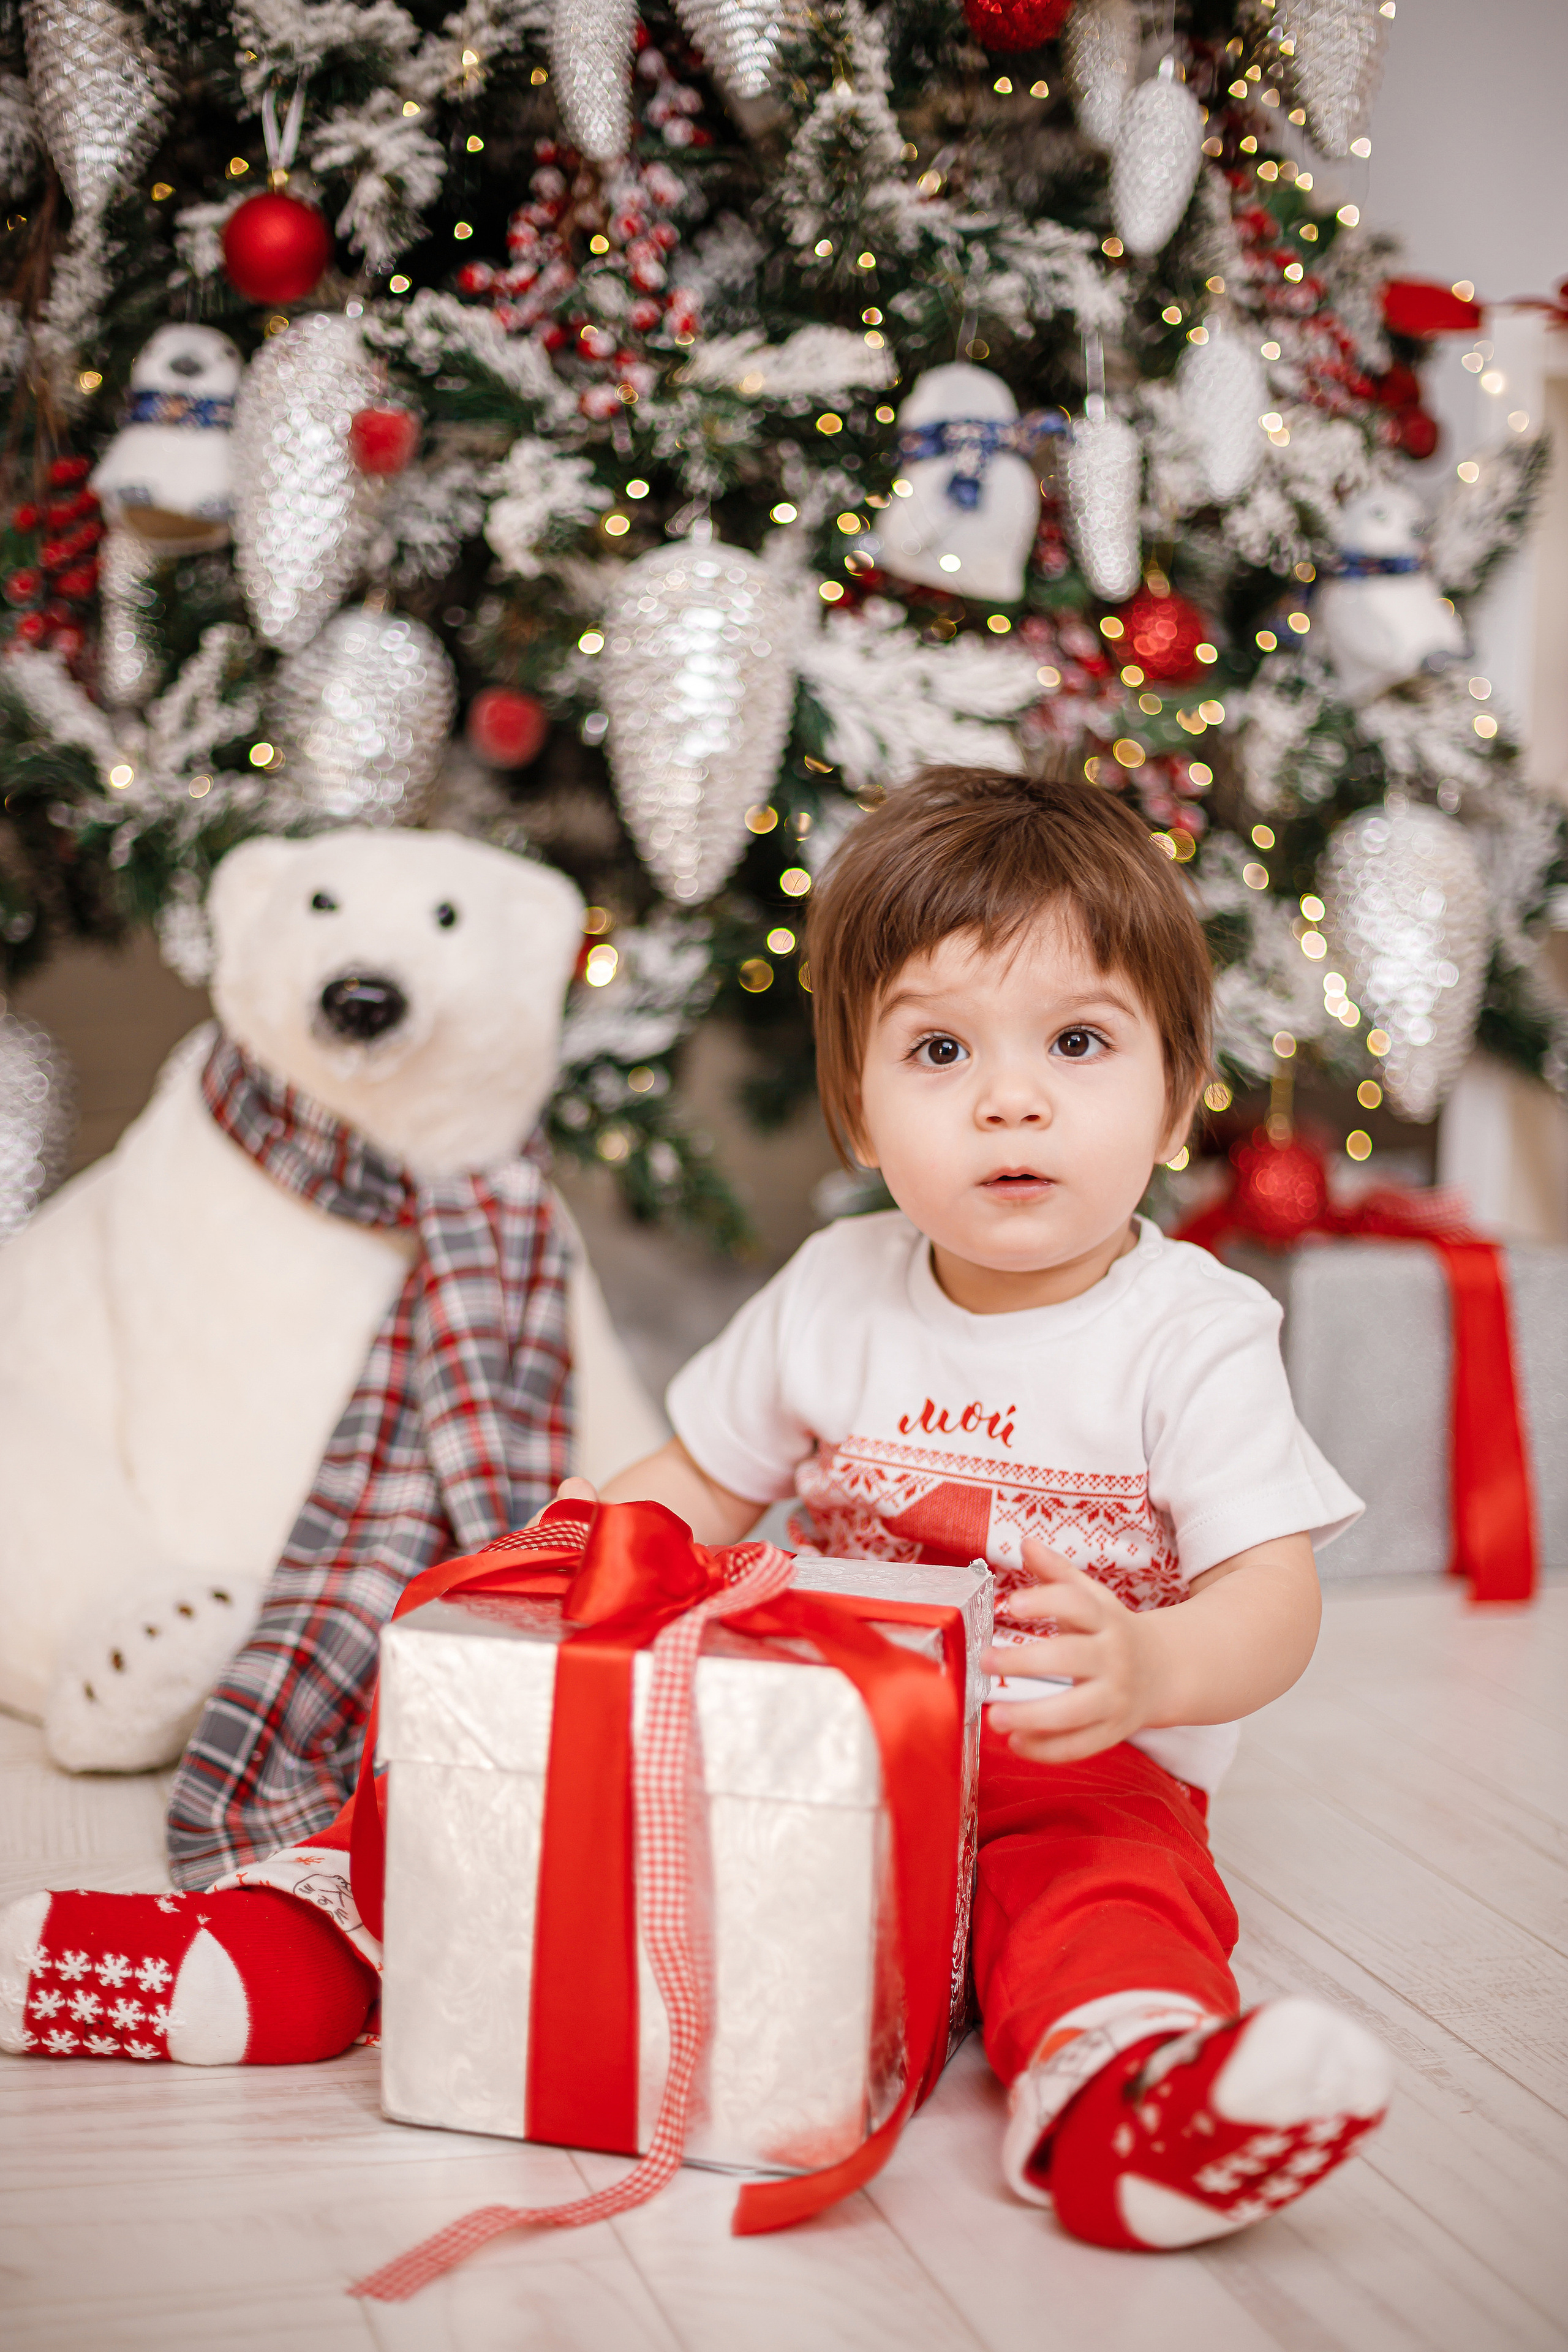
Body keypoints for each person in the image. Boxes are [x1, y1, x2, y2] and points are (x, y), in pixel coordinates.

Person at [0, 767, 1390, 2254]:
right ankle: (284, 1952)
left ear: (1176, 1094)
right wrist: (559, 1558)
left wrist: (1155, 1669)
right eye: (936, 1047)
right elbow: (692, 1484)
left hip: (1067, 1758)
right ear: (856, 1110)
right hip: (806, 1743)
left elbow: (1269, 1597)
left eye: (1075, 1041)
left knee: (1106, 1894)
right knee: (526, 1785)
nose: (1010, 1096)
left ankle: (1132, 2099)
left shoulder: (1191, 1332)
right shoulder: (834, 1293)